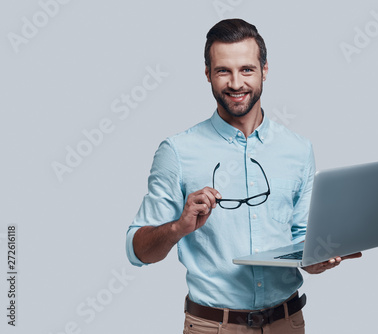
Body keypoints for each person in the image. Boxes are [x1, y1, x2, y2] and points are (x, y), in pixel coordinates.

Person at [126, 18, 361, 333]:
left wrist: (317, 258)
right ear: (208, 74)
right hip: (214, 327)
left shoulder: (298, 149)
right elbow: (137, 250)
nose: (236, 83)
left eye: (247, 70)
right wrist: (178, 227)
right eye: (224, 71)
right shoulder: (178, 152)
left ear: (264, 70)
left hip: (287, 323)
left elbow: (302, 241)